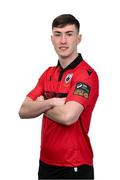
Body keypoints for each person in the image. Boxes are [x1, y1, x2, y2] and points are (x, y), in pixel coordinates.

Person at [19, 14, 99, 179]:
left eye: (69, 34)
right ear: (52, 39)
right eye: (58, 34)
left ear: (79, 38)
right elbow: (23, 111)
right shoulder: (47, 74)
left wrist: (41, 105)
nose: (63, 40)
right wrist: (53, 101)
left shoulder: (86, 75)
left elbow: (68, 116)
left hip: (74, 166)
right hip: (46, 164)